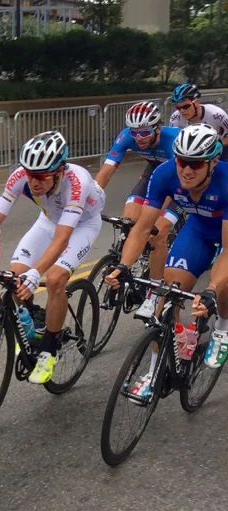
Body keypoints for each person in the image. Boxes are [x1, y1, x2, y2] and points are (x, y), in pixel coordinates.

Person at [107, 125, 228, 395]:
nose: (187, 169)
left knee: (221, 290)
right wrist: (122, 266)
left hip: (226, 234)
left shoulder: (226, 181)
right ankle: (155, 371)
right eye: (182, 161)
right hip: (199, 230)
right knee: (167, 295)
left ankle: (223, 327)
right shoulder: (164, 174)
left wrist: (210, 290)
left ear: (214, 162)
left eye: (196, 164)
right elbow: (142, 229)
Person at [0, 131, 104, 386]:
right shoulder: (21, 176)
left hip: (83, 225)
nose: (34, 182)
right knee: (16, 272)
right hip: (49, 220)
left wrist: (38, 272)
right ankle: (34, 323)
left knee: (54, 279)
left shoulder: (77, 181)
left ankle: (49, 350)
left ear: (59, 171)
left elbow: (62, 239)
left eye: (42, 176)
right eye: (31, 175)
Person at [95, 101, 180, 316]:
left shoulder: (173, 140)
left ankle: (154, 290)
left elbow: (173, 187)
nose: (139, 137)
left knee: (156, 233)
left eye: (144, 132)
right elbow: (106, 172)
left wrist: (153, 218)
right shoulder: (126, 137)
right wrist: (90, 202)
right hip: (152, 172)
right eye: (135, 132)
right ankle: (130, 265)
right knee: (129, 220)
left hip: (178, 182)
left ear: (157, 128)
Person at [169, 83, 228, 152]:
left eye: (186, 106)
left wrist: (214, 146)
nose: (182, 111)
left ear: (197, 102)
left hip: (218, 149)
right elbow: (173, 142)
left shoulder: (217, 114)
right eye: (178, 107)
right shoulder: (175, 118)